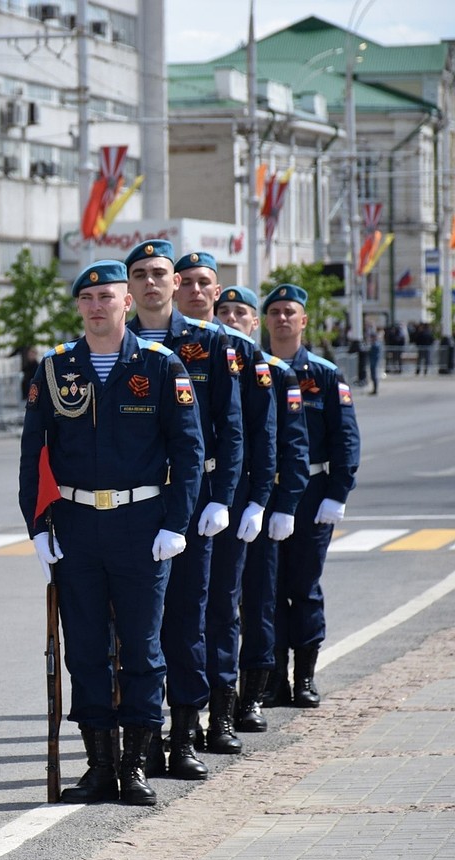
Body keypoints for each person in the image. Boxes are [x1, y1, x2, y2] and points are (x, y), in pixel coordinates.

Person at [19, 259, 204, 807]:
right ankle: (99, 765)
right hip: (76, 525)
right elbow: (34, 456)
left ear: (128, 302)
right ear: (79, 306)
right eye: (88, 298)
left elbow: (189, 453)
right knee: (86, 650)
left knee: (144, 652)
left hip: (141, 525)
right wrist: (36, 526)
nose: (97, 306)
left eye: (107, 296)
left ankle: (135, 766)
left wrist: (177, 522)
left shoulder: (162, 365)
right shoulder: (55, 370)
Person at [126, 240, 242, 781]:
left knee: (187, 622)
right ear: (128, 289)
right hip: (130, 506)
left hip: (191, 500)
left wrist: (222, 497)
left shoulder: (209, 345)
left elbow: (233, 427)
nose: (152, 283)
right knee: (130, 630)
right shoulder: (108, 346)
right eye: (141, 274)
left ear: (178, 283)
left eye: (161, 274)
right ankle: (141, 740)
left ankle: (186, 736)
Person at [173, 255, 276, 756]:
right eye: (187, 283)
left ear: (217, 293)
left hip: (224, 496)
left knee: (221, 606)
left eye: (204, 284)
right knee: (179, 611)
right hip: (173, 496)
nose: (195, 291)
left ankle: (223, 713)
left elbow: (255, 432)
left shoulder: (237, 350)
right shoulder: (163, 344)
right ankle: (182, 718)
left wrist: (256, 500)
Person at [215, 286, 310, 732]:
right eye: (225, 311)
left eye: (241, 313)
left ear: (255, 323)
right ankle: (219, 694)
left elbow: (292, 445)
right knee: (215, 607)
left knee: (258, 602)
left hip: (260, 503)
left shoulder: (273, 372)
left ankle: (253, 695)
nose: (232, 318)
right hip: (215, 501)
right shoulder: (203, 364)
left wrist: (284, 505)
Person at [262, 283, 360, 708]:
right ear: (266, 321)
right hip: (267, 494)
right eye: (276, 312)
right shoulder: (256, 370)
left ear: (303, 321)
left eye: (290, 312)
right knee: (268, 590)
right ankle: (273, 679)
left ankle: (303, 678)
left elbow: (346, 438)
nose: (283, 318)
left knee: (303, 587)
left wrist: (337, 493)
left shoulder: (323, 374)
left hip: (313, 494)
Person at [366, 326, 382, 395]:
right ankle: (374, 389)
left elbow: (372, 352)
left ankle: (375, 390)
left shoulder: (375, 345)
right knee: (373, 375)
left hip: (374, 361)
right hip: (373, 361)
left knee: (374, 375)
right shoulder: (375, 344)